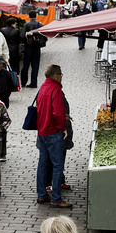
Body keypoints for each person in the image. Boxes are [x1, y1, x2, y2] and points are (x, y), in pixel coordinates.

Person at [35, 64, 72, 208]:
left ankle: (41, 194)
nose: (62, 77)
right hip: (53, 132)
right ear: (56, 75)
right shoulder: (55, 88)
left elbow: (45, 108)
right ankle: (56, 198)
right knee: (57, 165)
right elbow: (56, 112)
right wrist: (62, 128)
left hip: (42, 131)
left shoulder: (43, 87)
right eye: (61, 74)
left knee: (43, 164)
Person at [21, 13, 45, 88]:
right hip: (37, 48)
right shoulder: (40, 24)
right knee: (35, 66)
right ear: (36, 16)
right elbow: (44, 35)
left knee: (26, 66)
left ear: (29, 16)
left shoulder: (26, 25)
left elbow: (21, 36)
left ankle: (23, 82)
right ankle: (34, 82)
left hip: (28, 48)